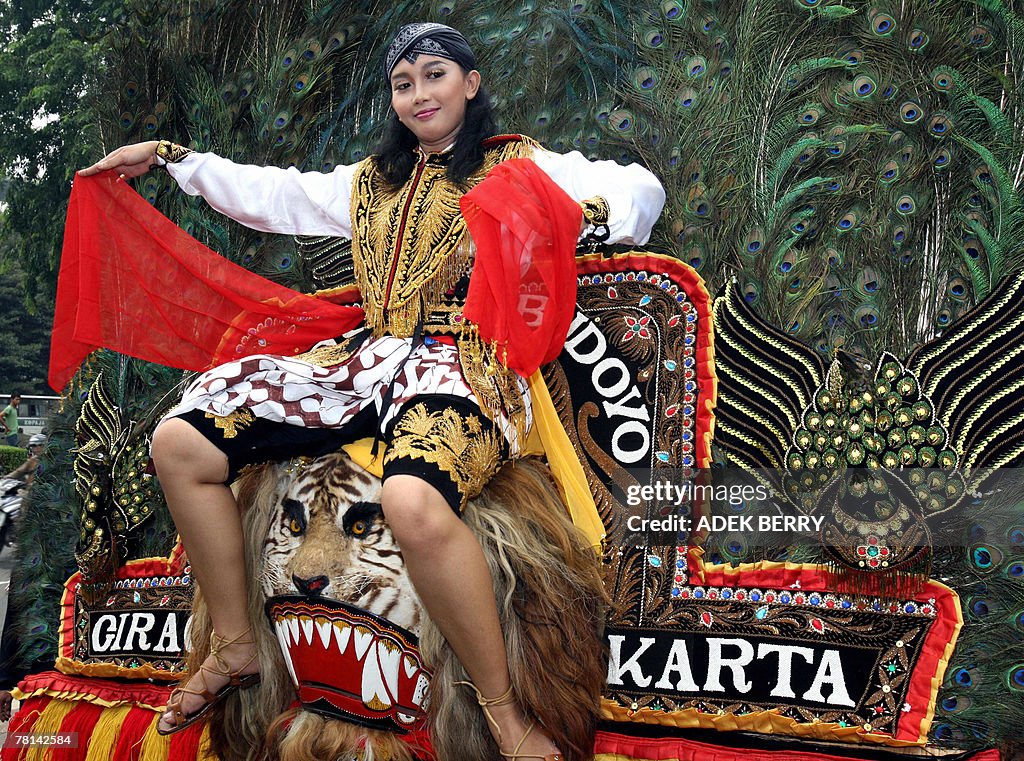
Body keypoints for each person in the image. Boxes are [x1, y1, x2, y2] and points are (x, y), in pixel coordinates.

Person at [81, 22, 664, 759]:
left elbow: (641, 188)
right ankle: (234, 643)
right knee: (180, 441)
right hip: (367, 362)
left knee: (412, 500)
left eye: (435, 75)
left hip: (465, 364)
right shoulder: (371, 182)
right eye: (403, 82)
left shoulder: (520, 163)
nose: (420, 94)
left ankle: (507, 713)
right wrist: (171, 160)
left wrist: (579, 221)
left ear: (470, 83)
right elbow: (274, 195)